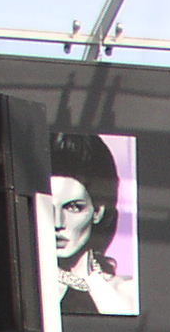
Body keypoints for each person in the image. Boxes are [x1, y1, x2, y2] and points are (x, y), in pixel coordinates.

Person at [50, 132, 136, 316]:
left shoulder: (126, 292)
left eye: (73, 207)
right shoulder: (28, 291)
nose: (57, 223)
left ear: (97, 211)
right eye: (47, 208)